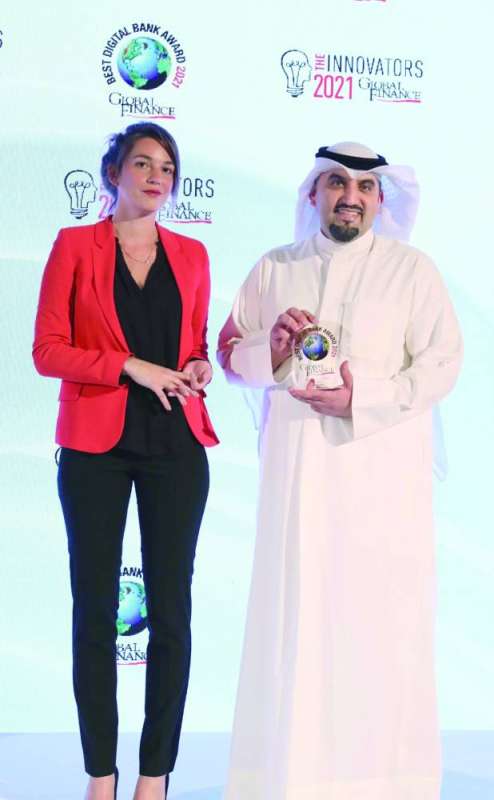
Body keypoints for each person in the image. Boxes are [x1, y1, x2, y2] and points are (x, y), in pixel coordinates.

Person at [217, 142, 463, 800]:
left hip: (384, 478)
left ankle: (384, 782)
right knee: (295, 617)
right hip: (298, 476)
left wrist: (364, 397)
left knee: (379, 623)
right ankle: (287, 778)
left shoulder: (413, 272)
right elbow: (229, 353)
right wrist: (271, 350)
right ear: (313, 194)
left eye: (364, 187)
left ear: (382, 200)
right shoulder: (275, 267)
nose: (349, 197)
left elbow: (442, 364)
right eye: (335, 183)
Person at [33, 122, 218, 800]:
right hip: (94, 448)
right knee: (94, 614)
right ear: (114, 173)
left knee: (172, 615)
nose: (156, 176)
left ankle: (155, 776)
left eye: (166, 168)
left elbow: (194, 343)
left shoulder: (193, 254)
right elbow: (47, 350)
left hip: (176, 444)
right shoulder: (73, 246)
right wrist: (129, 365)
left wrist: (196, 366)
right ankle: (100, 775)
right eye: (142, 163)